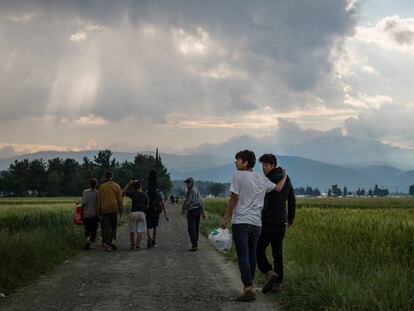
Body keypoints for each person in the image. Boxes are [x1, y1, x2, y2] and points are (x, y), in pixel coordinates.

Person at [221, 150, 287, 302]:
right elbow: (278, 188)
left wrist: (225, 218)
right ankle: (248, 286)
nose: (235, 162)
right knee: (251, 254)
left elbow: (234, 198)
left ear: (245, 163)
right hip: (257, 223)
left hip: (241, 222)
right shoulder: (260, 177)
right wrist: (284, 176)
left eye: (238, 160)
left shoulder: (238, 176)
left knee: (243, 254)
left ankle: (248, 287)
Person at [257, 154, 296, 293]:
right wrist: (290, 217)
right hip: (281, 222)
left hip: (267, 221)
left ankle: (270, 272)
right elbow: (291, 199)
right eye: (262, 166)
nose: (264, 168)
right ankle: (278, 283)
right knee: (277, 253)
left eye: (266, 165)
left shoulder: (266, 180)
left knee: (258, 250)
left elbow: (262, 201)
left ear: (273, 166)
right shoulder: (287, 178)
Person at [97, 171, 123, 252]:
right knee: (114, 226)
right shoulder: (117, 186)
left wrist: (99, 211)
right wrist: (120, 210)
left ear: (105, 177)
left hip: (105, 210)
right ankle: (113, 241)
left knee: (106, 228)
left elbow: (99, 200)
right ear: (112, 176)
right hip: (114, 209)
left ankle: (108, 245)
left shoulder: (101, 187)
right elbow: (120, 200)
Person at [122, 178, 149, 250]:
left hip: (133, 212)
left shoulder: (132, 193)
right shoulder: (144, 194)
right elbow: (147, 206)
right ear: (140, 186)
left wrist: (128, 184)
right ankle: (137, 245)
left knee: (132, 230)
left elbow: (123, 192)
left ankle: (132, 244)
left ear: (133, 187)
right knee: (139, 231)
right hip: (141, 213)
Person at [146, 170, 169, 249]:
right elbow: (163, 204)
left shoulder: (147, 192)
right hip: (156, 212)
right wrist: (166, 215)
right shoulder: (159, 193)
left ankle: (149, 237)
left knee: (149, 226)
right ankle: (154, 241)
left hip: (148, 211)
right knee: (155, 226)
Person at [181, 177, 206, 251]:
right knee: (196, 227)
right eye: (186, 183)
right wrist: (202, 213)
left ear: (191, 183)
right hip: (198, 210)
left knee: (191, 228)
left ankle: (194, 245)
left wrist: (183, 209)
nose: (187, 184)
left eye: (188, 183)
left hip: (192, 211)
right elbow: (201, 202)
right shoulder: (196, 190)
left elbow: (188, 202)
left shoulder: (191, 191)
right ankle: (195, 243)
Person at [80, 178, 99, 250]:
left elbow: (83, 203)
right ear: (96, 184)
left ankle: (87, 239)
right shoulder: (98, 192)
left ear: (89, 184)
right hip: (95, 215)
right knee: (94, 230)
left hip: (86, 215)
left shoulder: (85, 192)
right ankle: (90, 242)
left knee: (87, 230)